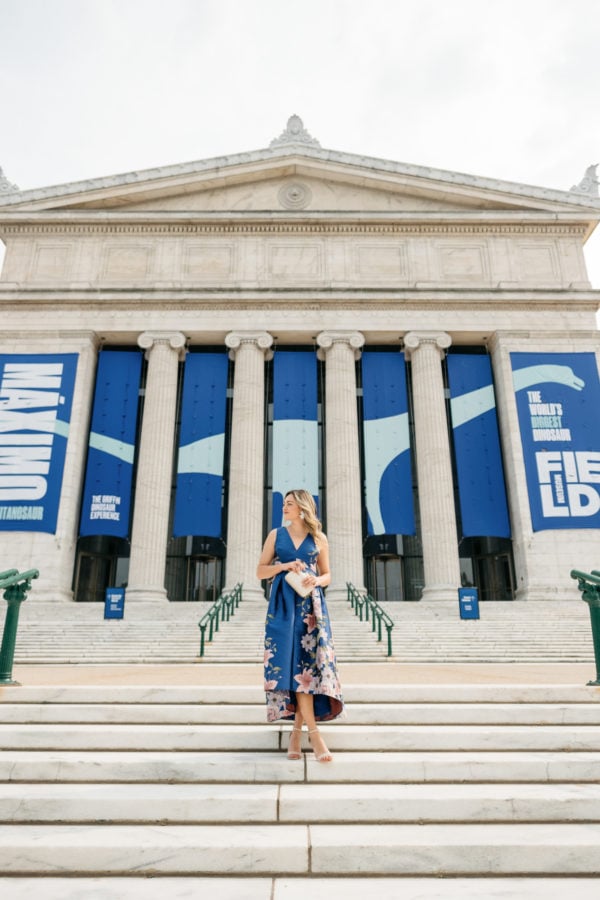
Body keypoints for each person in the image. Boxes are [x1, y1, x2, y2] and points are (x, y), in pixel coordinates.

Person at [257, 489, 344, 763]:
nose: (284, 507)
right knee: (290, 666)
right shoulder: (275, 535)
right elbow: (260, 571)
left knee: (306, 668)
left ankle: (299, 733)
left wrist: (316, 581)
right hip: (282, 607)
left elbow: (328, 574)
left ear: (303, 508)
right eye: (284, 503)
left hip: (311, 609)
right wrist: (283, 566)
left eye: (290, 504)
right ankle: (314, 736)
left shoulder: (319, 538)